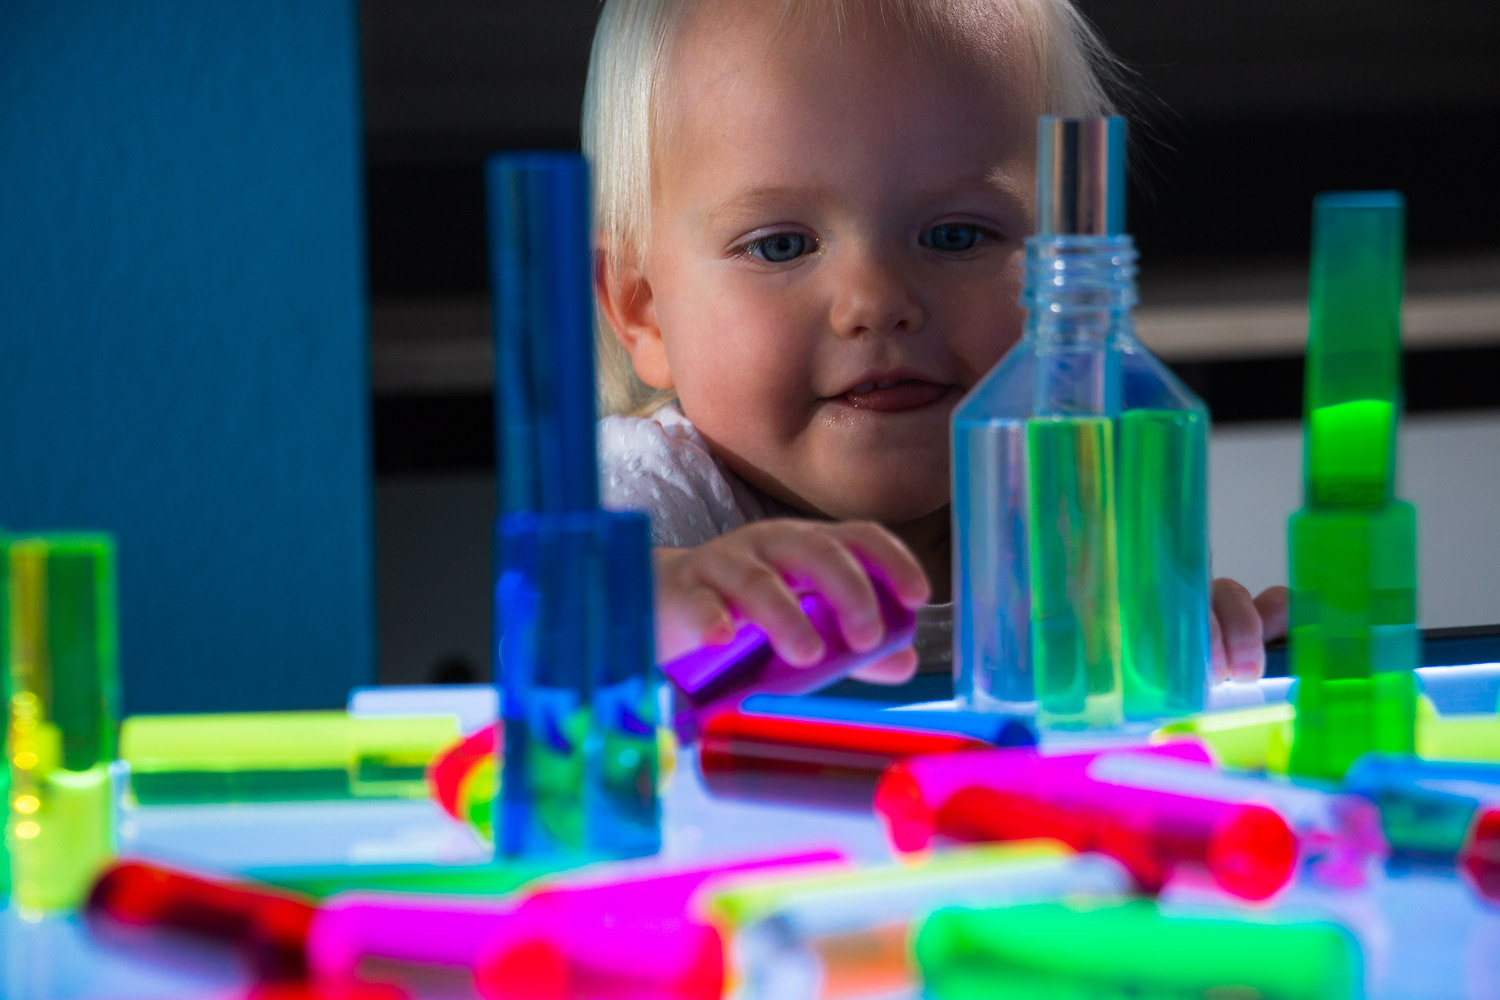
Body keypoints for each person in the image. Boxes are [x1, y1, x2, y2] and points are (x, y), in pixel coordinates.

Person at [584, 0, 1288, 689]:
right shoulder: (645, 491)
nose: (876, 303)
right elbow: (567, 610)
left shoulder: (1072, 494)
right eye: (781, 246)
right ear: (642, 311)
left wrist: (1199, 641)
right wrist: (657, 604)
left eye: (956, 235)